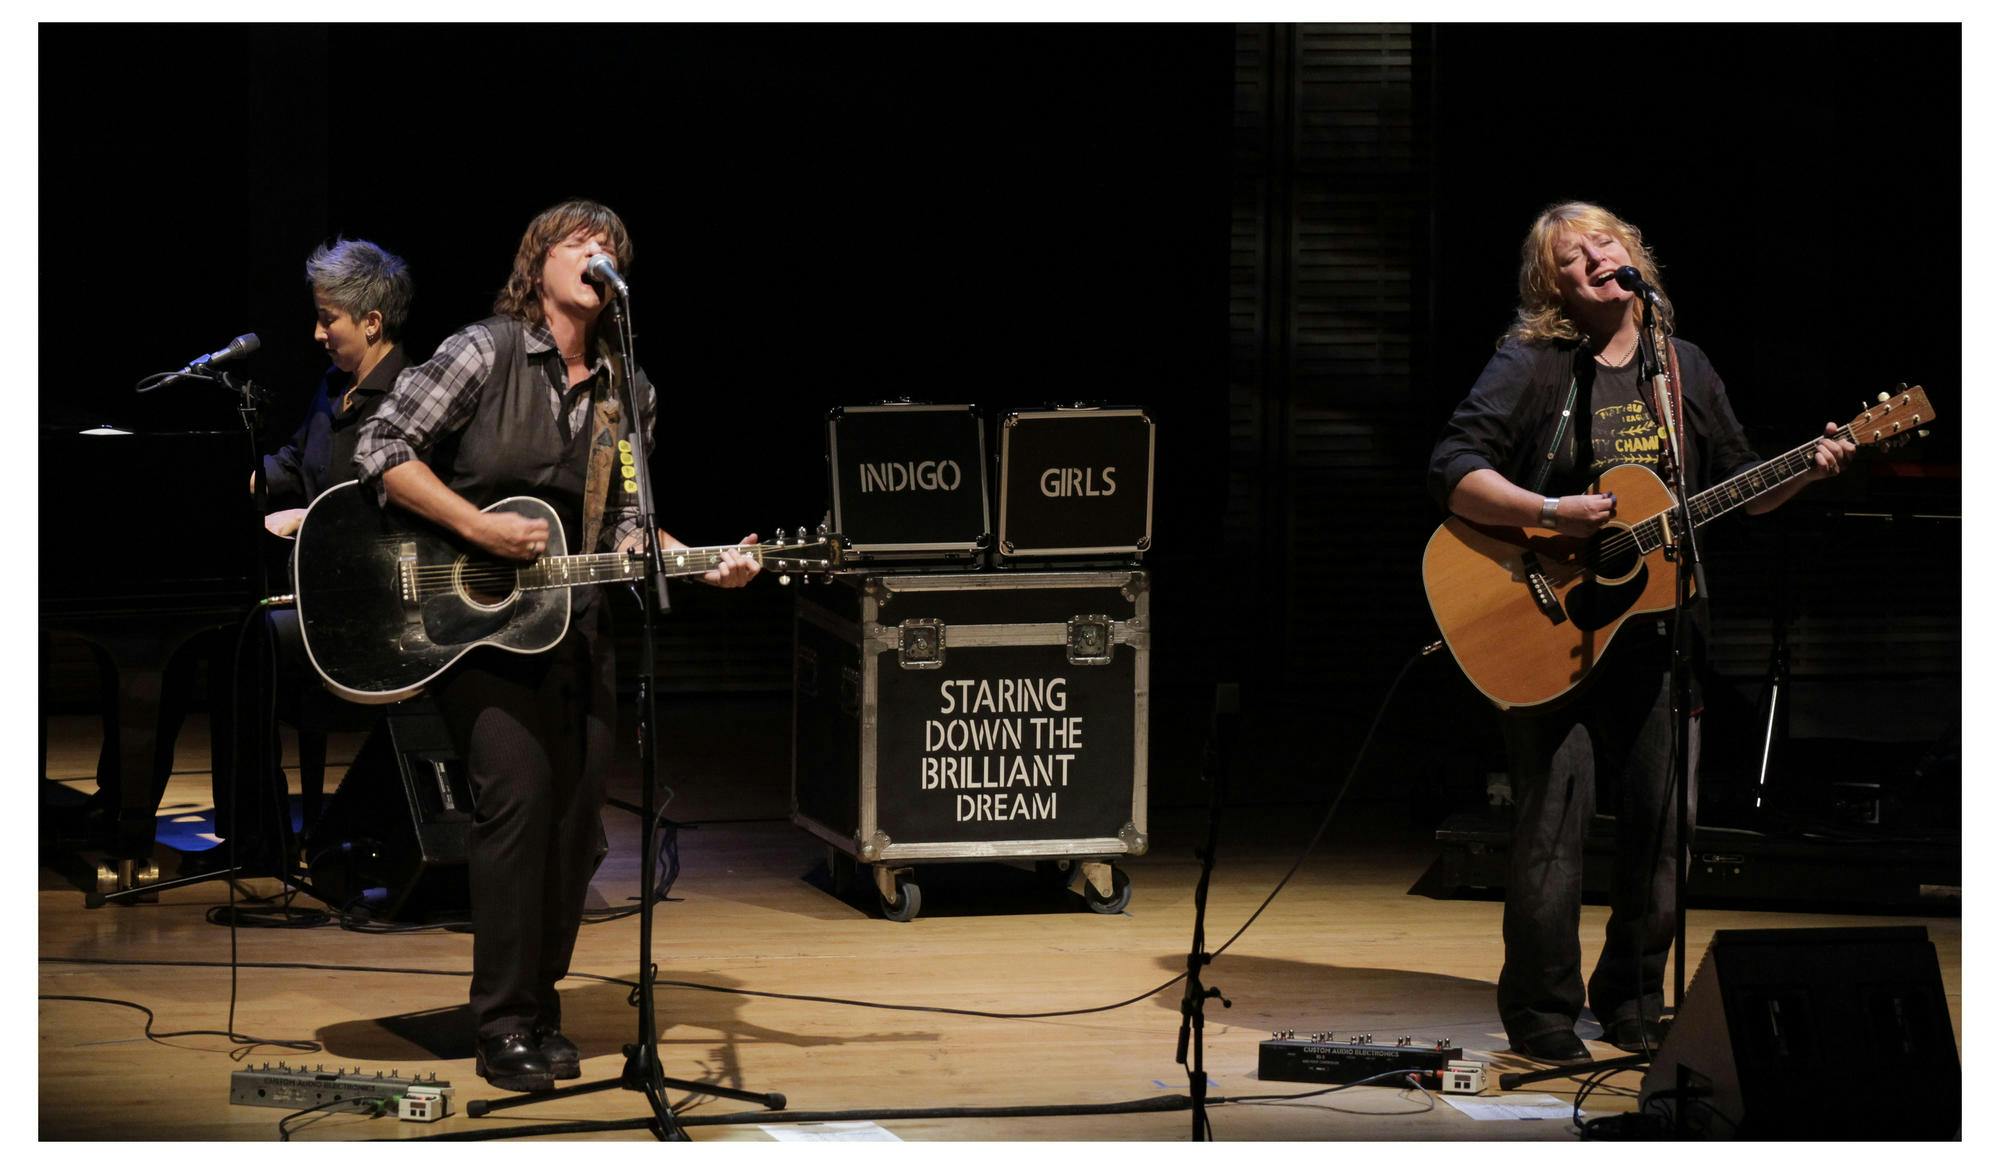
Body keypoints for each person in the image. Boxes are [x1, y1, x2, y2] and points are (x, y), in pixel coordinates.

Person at [1426, 201, 1855, 1066]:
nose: (1594, 257)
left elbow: (1741, 486)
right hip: (1547, 624)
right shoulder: (1534, 363)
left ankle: (1633, 999)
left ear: (1634, 258)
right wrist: (1553, 511)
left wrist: (1807, 470)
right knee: (1551, 829)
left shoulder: (1681, 367)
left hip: (1661, 636)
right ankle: (1542, 1011)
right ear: (1553, 285)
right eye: (1571, 255)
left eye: (1605, 241)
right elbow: (1454, 467)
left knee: (1666, 828)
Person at [354, 199, 760, 1093]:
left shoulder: (628, 391)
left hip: (573, 627)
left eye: (611, 244)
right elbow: (381, 445)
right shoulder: (484, 350)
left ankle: (538, 1007)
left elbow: (625, 528)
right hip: (470, 631)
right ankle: (502, 1020)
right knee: (519, 801)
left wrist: (700, 563)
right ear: (537, 263)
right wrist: (479, 529)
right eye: (580, 241)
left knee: (578, 828)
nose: (599, 251)